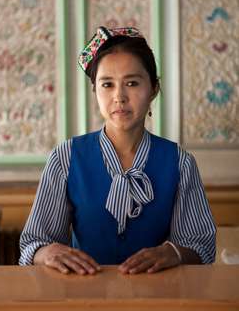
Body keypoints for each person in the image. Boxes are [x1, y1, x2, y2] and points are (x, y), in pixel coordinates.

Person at [19, 26, 216, 275]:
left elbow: (202, 245)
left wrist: (173, 253)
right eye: (107, 84)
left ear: (154, 89)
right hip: (82, 297)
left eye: (132, 83)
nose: (119, 97)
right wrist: (47, 252)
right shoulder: (66, 158)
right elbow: (33, 242)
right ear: (95, 91)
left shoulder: (180, 163)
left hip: (160, 297)